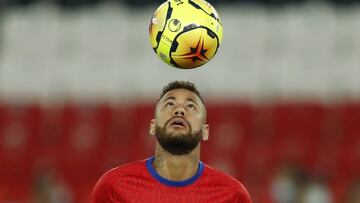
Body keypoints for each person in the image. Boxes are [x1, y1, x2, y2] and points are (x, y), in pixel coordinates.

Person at [90, 81, 252, 203]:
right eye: (170, 104)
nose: (179, 110)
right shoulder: (114, 186)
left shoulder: (232, 194)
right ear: (153, 126)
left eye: (190, 106)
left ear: (205, 131)